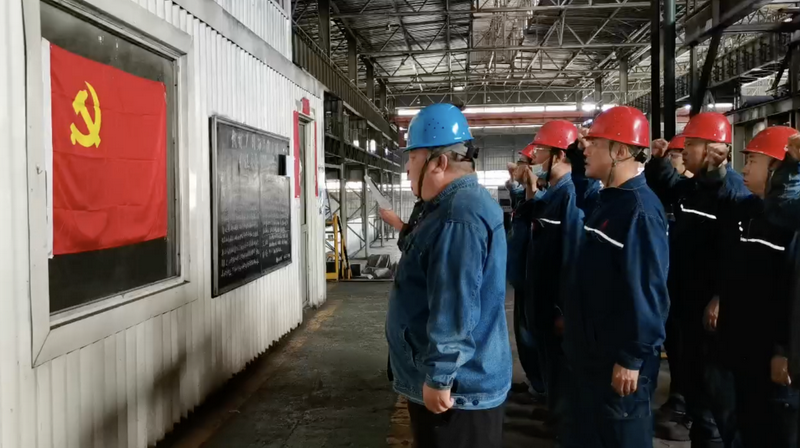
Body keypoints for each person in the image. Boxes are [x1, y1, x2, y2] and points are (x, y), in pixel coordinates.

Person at [385, 103, 511, 448]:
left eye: (413, 158)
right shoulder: (451, 206)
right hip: (460, 383)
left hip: (457, 392)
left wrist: (440, 376)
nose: (407, 169)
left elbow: (454, 303)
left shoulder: (458, 216)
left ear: (438, 163)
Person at [560, 106, 670, 448]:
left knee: (622, 435)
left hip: (619, 362)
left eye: (595, 144)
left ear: (620, 151)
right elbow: (582, 193)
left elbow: (649, 292)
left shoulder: (639, 211)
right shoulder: (609, 200)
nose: (587, 149)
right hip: (594, 354)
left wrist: (632, 357)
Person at [647, 112, 750, 448]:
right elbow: (669, 186)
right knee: (693, 384)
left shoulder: (731, 192)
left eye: (690, 144)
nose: (684, 150)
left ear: (712, 149)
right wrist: (659, 161)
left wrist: (721, 297)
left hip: (709, 310)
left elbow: (738, 254)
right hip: (686, 301)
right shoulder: (694, 186)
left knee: (712, 399)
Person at [704, 126, 800, 447]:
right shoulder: (746, 210)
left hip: (770, 354)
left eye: (753, 161)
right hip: (740, 345)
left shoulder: (790, 226)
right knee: (744, 422)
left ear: (777, 168)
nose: (744, 169)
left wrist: (783, 350)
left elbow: (791, 295)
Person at [509, 120, 589, 438]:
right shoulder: (552, 194)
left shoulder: (570, 196)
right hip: (540, 295)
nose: (535, 156)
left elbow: (572, 257)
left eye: (541, 150)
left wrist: (564, 309)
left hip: (556, 302)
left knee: (561, 365)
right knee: (548, 362)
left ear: (560, 155)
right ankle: (554, 411)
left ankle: (565, 425)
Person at [652, 133, 693, 441]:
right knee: (677, 347)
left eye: (675, 156)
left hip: (695, 288)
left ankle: (686, 407)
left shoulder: (701, 193)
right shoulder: (679, 193)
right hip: (676, 283)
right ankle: (679, 399)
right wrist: (658, 161)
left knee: (690, 350)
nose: (675, 160)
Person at [506, 142, 547, 402]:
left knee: (532, 335)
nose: (517, 167)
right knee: (524, 335)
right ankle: (535, 382)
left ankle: (542, 388)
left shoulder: (549, 197)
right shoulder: (526, 197)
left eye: (523, 162)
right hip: (521, 274)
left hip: (534, 277)